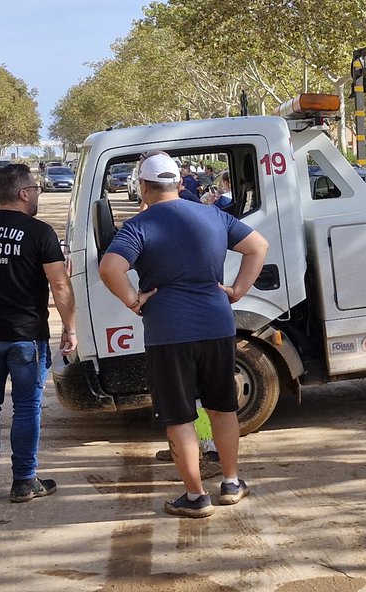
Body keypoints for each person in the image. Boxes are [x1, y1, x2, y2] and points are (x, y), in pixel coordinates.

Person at [99, 154, 269, 518]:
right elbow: (259, 246)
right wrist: (237, 290)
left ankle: (195, 497)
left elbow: (110, 267)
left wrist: (133, 300)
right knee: (223, 406)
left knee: (179, 416)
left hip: (168, 331)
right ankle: (231, 482)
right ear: (179, 183)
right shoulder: (214, 215)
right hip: (217, 325)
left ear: (143, 187)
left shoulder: (138, 226)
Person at [0, 163, 77, 503]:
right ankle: (24, 481)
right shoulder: (39, 233)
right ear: (23, 193)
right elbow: (60, 285)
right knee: (26, 407)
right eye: (35, 188)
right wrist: (70, 328)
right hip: (26, 337)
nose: (36, 192)